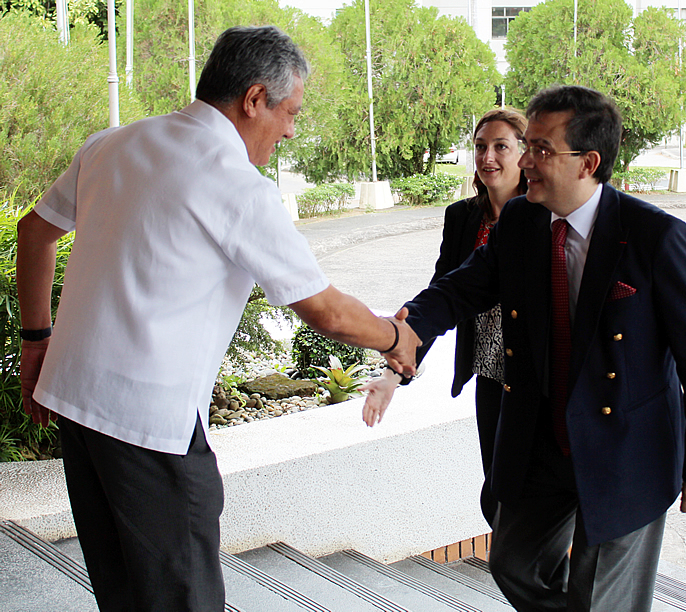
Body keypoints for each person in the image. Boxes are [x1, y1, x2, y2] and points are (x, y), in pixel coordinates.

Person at [16, 25, 419, 612]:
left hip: (77, 406)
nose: (289, 130)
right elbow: (326, 311)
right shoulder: (237, 186)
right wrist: (394, 337)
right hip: (150, 430)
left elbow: (34, 232)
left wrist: (35, 341)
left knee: (122, 591)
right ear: (254, 99)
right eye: (289, 113)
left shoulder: (112, 144)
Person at [368, 85, 686, 611]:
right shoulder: (520, 222)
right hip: (543, 439)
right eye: (530, 147)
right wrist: (408, 328)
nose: (528, 162)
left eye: (541, 150)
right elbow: (462, 286)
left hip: (626, 447)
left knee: (601, 594)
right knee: (513, 563)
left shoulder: (655, 236)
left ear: (588, 162)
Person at [363, 108, 527, 521]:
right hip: (491, 375)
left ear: (526, 154)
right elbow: (444, 296)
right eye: (480, 147)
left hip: (537, 379)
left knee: (534, 496)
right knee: (497, 495)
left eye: (501, 147)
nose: (488, 157)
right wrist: (393, 376)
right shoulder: (462, 218)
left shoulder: (543, 217)